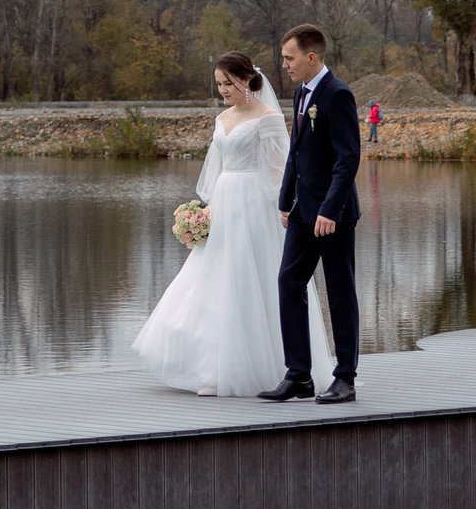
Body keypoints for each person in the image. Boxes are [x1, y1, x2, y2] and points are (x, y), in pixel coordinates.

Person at [133, 53, 333, 397]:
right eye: (219, 84)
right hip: (225, 203)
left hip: (254, 203)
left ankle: (268, 368)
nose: (223, 89)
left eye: (229, 82)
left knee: (247, 279)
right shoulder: (222, 117)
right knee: (212, 279)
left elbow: (282, 171)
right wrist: (202, 213)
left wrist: (284, 207)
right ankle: (208, 367)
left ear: (247, 80)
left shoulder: (268, 118)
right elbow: (216, 169)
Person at [263, 23, 362, 405]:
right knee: (289, 283)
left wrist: (329, 210)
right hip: (303, 212)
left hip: (332, 215)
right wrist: (285, 200)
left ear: (311, 57)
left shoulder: (337, 95)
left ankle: (346, 379)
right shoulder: (300, 94)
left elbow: (347, 159)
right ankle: (299, 375)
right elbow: (296, 152)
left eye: (289, 58)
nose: (283, 65)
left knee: (340, 293)